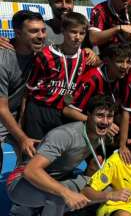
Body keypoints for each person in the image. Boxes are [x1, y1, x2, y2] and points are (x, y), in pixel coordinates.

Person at [6, 95, 115, 216]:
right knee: (59, 197)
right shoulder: (65, 135)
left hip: (56, 179)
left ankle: (35, 210)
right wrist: (66, 193)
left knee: (106, 190)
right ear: (88, 115)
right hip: (21, 181)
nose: (105, 122)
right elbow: (30, 170)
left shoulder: (100, 135)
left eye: (109, 117)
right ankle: (24, 208)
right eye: (100, 115)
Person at [23, 12, 91, 140]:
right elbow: (28, 90)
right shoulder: (45, 55)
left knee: (58, 156)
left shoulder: (85, 57)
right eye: (73, 32)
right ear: (63, 31)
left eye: (82, 33)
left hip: (63, 112)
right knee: (32, 154)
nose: (77, 37)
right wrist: (22, 118)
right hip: (39, 110)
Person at [0, 11, 46, 171]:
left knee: (33, 155)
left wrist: (91, 54)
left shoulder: (42, 53)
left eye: (43, 30)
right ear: (18, 33)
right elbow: (1, 109)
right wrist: (22, 139)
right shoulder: (3, 60)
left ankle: (22, 188)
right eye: (34, 31)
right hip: (2, 112)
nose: (41, 36)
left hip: (18, 112)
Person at [63, 43, 131, 127]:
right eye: (119, 61)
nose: (125, 66)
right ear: (107, 61)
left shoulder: (122, 77)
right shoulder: (92, 79)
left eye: (128, 62)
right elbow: (68, 111)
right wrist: (101, 123)